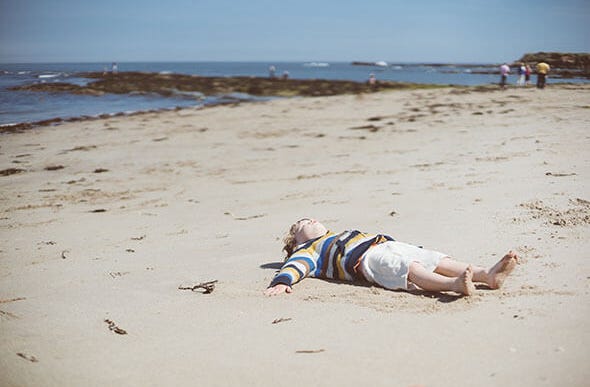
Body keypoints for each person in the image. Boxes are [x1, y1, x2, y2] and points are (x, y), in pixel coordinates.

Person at [265, 218, 518, 297]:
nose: (310, 220)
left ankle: (487, 274)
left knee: (434, 258)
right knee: (409, 269)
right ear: (297, 242)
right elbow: (296, 266)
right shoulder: (309, 251)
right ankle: (452, 285)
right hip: (364, 261)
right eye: (301, 224)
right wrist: (283, 281)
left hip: (385, 245)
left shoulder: (336, 234)